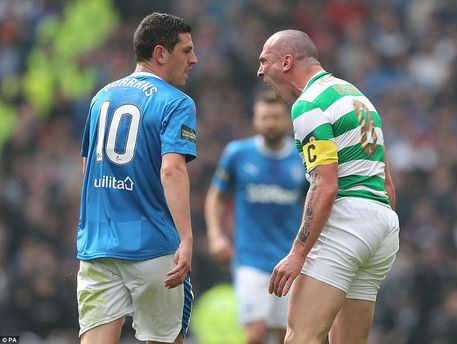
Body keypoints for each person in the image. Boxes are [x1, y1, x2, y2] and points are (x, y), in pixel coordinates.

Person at [257, 30, 400, 344]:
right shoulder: (358, 97)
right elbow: (387, 182)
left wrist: (298, 253)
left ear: (286, 61)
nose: (259, 71)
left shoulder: (308, 104)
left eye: (264, 61)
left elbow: (325, 184)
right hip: (382, 225)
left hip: (348, 221)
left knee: (300, 338)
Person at [77, 12, 198, 344]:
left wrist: (89, 233)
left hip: (99, 247)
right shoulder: (177, 103)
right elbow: (172, 169)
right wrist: (186, 239)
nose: (194, 59)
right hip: (153, 247)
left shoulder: (101, 97)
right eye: (186, 51)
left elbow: (88, 170)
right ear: (160, 53)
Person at [205, 92, 308, 344]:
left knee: (287, 335)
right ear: (256, 121)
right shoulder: (237, 154)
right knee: (255, 334)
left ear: (287, 120)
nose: (270, 123)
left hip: (290, 261)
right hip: (250, 259)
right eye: (264, 117)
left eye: (275, 117)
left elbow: (315, 202)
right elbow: (216, 196)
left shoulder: (302, 158)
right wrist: (216, 236)